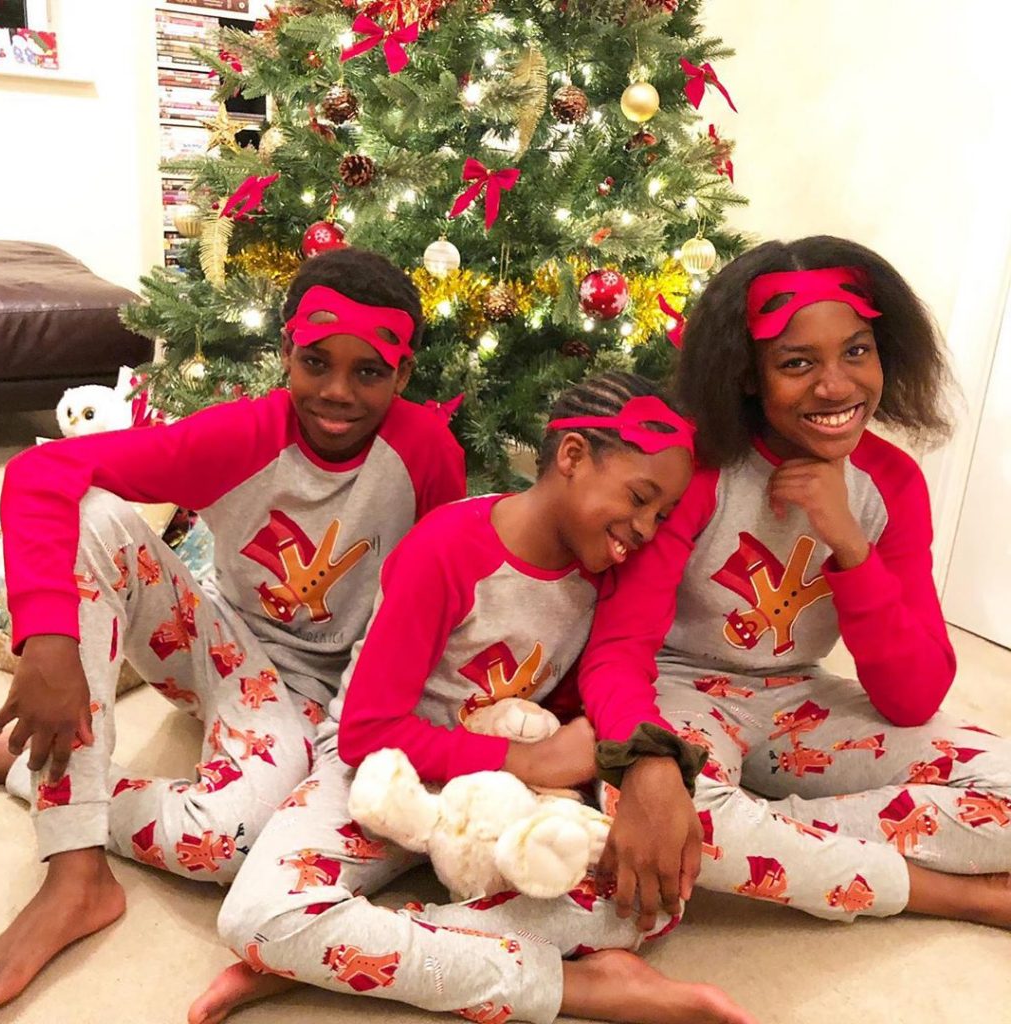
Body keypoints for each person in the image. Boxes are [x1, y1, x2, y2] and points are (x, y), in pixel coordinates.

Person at [189, 372, 757, 1024]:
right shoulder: (448, 547)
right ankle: (582, 988)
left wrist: (607, 773)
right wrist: (526, 761)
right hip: (385, 771)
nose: (648, 530)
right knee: (259, 916)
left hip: (500, 793)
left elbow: (612, 673)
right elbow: (366, 732)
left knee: (647, 894)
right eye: (639, 498)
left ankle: (336, 950)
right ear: (572, 456)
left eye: (662, 514)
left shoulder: (609, 568)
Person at [0, 248, 466, 1013]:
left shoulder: (427, 454)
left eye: (369, 372)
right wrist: (48, 642)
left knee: (225, 844)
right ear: (286, 352)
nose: (337, 393)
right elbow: (41, 474)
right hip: (214, 644)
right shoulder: (241, 435)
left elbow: (446, 591)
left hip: (323, 694)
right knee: (92, 514)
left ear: (403, 375)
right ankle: (74, 870)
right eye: (316, 362)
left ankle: (28, 767)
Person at [578, 236, 1011, 928]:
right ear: (749, 374)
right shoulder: (697, 470)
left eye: (857, 351)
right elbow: (617, 648)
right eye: (797, 363)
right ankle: (950, 893)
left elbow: (914, 697)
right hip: (677, 689)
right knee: (648, 810)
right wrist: (650, 761)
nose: (835, 386)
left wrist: (851, 545)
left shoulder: (891, 483)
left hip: (798, 696)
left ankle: (762, 826)